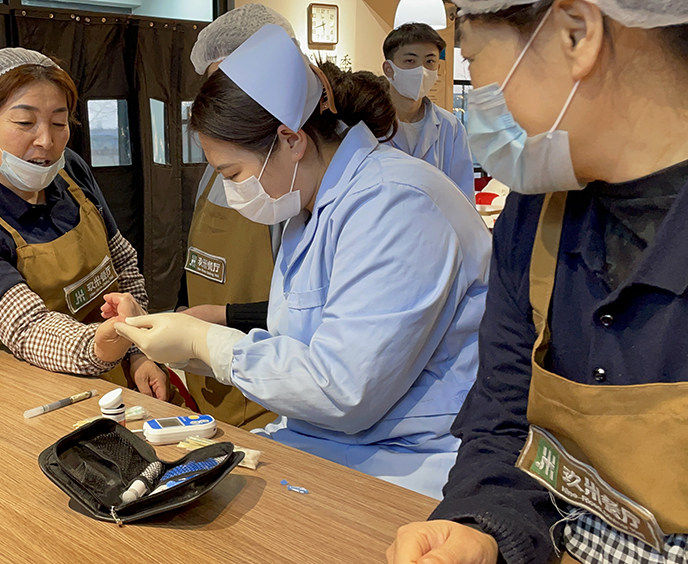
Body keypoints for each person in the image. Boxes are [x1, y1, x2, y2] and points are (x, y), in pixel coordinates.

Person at [108, 24, 491, 498]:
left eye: (234, 173)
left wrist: (205, 342)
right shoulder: (306, 208)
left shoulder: (397, 204)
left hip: (411, 463)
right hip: (332, 443)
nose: (233, 191)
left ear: (291, 140)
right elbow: (299, 349)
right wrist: (172, 339)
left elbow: (344, 390)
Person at [385, 0, 688, 562]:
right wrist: (481, 526)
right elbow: (505, 421)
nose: (478, 96)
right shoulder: (535, 216)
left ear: (577, 34)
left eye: (475, 60)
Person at [0, 48, 168, 398]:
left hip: (111, 370)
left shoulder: (70, 171)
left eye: (59, 123)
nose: (46, 140)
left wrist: (137, 353)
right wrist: (104, 345)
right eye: (25, 123)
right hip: (21, 390)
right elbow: (29, 328)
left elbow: (122, 264)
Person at [171, 3, 297, 430]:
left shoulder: (289, 186)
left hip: (268, 385)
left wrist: (218, 319)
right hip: (207, 380)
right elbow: (196, 258)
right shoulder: (215, 171)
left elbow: (301, 309)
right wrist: (183, 312)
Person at [383, 23, 476, 204]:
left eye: (429, 62)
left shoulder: (451, 128)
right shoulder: (367, 124)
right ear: (389, 69)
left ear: (438, 69)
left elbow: (463, 198)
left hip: (437, 221)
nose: (421, 70)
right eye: (410, 61)